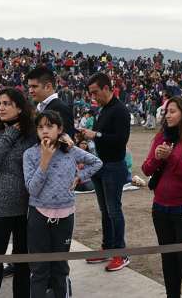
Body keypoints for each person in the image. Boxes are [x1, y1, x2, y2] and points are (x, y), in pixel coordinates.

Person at [24, 110, 102, 298]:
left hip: (65, 214)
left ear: (59, 129)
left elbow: (97, 162)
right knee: (39, 269)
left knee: (60, 267)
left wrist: (79, 177)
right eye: (40, 127)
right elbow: (32, 190)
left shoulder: (70, 150)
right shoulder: (30, 154)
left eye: (50, 126)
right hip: (39, 215)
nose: (45, 131)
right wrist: (44, 161)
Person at [141, 96, 182, 298]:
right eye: (166, 111)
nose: (167, 115)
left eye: (172, 111)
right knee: (168, 260)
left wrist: (171, 157)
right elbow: (146, 168)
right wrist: (158, 159)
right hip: (160, 207)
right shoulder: (161, 137)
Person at [0, 88, 37, 298]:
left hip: (26, 207)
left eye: (7, 103)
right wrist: (9, 136)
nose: (1, 107)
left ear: (20, 107)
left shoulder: (31, 135)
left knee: (23, 261)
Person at [79, 73, 131, 271]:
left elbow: (120, 140)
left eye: (95, 92)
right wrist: (87, 140)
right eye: (91, 93)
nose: (93, 97)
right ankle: (107, 247)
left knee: (114, 210)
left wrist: (96, 134)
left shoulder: (120, 111)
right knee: (105, 211)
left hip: (114, 167)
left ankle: (121, 252)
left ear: (107, 88)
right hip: (100, 165)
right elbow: (102, 138)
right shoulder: (103, 110)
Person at [26, 67, 76, 138]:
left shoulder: (61, 109)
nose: (30, 91)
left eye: (34, 86)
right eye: (29, 87)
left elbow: (66, 143)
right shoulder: (38, 107)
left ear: (48, 87)